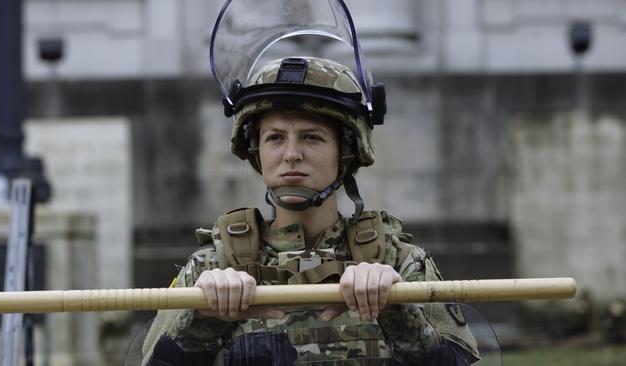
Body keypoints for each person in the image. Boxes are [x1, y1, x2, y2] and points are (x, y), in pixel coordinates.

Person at [139, 56, 479, 365]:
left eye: (311, 137)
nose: (291, 154)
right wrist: (204, 318)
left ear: (346, 151)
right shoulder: (211, 267)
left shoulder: (399, 263)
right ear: (257, 150)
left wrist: (396, 308)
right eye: (274, 138)